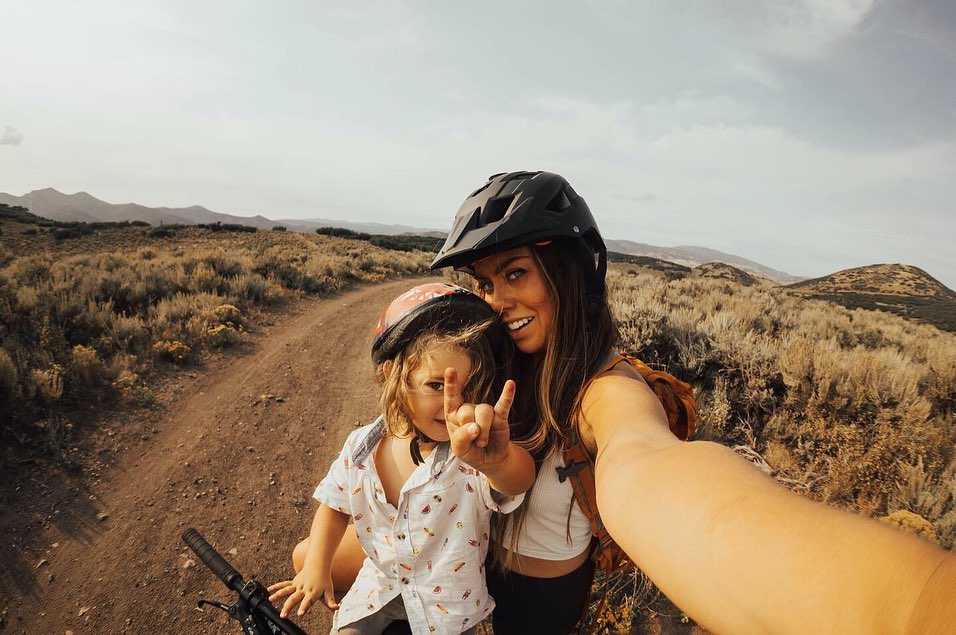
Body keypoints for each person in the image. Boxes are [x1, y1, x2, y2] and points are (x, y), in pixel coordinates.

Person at [427, 170, 956, 634]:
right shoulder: (511, 361)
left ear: (570, 273)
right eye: (487, 282)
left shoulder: (605, 392)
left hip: (541, 603)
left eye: (515, 273)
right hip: (478, 579)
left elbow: (649, 460)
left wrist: (914, 608)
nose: (498, 300)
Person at [267, 283, 536, 635]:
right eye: (436, 386)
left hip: (449, 612)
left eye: (468, 389)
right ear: (394, 375)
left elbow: (517, 479)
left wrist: (496, 461)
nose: (450, 404)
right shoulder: (361, 447)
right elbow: (333, 506)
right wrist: (316, 566)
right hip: (378, 590)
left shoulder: (472, 455)